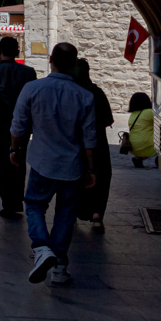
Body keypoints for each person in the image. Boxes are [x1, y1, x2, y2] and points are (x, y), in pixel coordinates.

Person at [10, 42, 97, 286]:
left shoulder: (33, 88)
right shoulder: (85, 96)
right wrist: (91, 169)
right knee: (66, 215)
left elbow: (18, 125)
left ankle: (41, 247)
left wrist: (14, 148)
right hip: (72, 164)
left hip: (42, 160)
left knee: (35, 204)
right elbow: (90, 137)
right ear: (74, 64)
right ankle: (59, 265)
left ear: (51, 59)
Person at [0, 36, 38, 218]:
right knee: (18, 161)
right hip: (21, 124)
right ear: (17, 52)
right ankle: (17, 200)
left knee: (1, 165)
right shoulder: (28, 72)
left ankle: (8, 203)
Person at [73, 59, 113, 230]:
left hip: (74, 143)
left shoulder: (71, 93)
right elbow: (107, 119)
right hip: (98, 144)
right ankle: (97, 214)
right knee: (101, 177)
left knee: (75, 177)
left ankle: (74, 210)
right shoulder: (96, 92)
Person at [128, 92, 156, 168]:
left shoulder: (133, 114)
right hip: (146, 145)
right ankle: (158, 158)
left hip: (133, 147)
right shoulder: (149, 112)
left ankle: (138, 158)